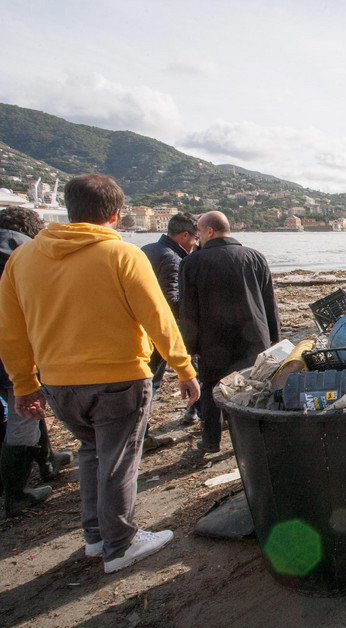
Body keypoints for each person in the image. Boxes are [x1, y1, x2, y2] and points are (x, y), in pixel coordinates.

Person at [0, 174, 200, 573]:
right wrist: (183, 367)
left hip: (58, 381)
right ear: (115, 214)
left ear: (71, 209)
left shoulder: (23, 259)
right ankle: (120, 543)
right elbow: (157, 317)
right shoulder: (121, 254)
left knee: (92, 452)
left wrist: (24, 384)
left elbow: (11, 328)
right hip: (119, 376)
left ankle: (94, 535)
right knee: (119, 459)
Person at [179, 211, 280, 457]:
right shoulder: (254, 257)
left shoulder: (192, 263)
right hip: (253, 335)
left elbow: (188, 311)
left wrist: (189, 348)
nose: (198, 238)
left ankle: (211, 441)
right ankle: (255, 439)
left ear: (209, 231)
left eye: (200, 233)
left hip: (213, 339)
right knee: (253, 386)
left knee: (212, 387)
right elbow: (270, 301)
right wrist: (275, 336)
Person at [0, 207, 73, 516]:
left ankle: (46, 462)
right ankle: (15, 494)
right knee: (25, 415)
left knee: (28, 409)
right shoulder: (27, 257)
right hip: (16, 354)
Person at [140, 213, 200, 450]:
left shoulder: (146, 249)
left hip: (140, 330)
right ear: (185, 235)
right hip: (157, 333)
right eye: (194, 239)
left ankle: (140, 434)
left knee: (145, 383)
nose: (195, 244)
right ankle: (142, 437)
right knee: (151, 384)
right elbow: (171, 301)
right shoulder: (172, 259)